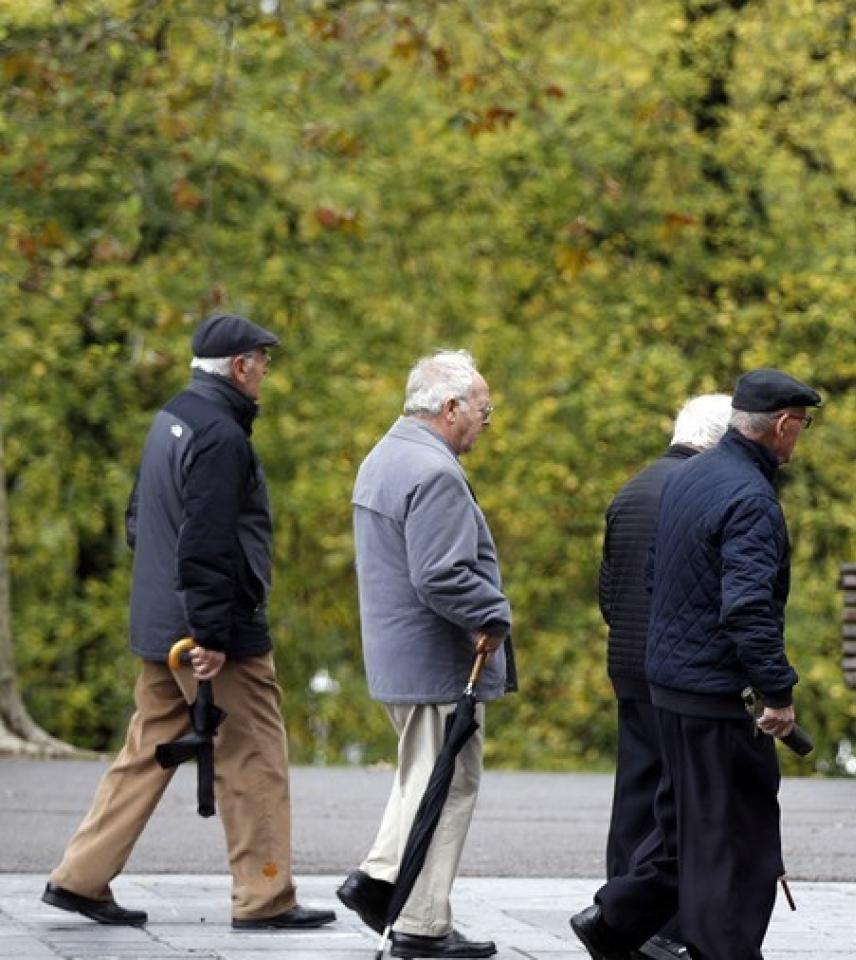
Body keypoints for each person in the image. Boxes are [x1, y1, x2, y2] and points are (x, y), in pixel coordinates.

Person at [43, 314, 336, 930]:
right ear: (238, 367)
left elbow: (138, 520)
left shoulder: (171, 419)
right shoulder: (222, 438)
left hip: (161, 622)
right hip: (209, 633)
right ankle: (264, 896)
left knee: (147, 750)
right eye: (262, 361)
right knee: (254, 755)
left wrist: (174, 611)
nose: (265, 372)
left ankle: (80, 877)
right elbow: (206, 544)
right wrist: (211, 634)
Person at [571, 369, 821, 960]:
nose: (800, 438)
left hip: (670, 687)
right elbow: (747, 608)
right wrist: (777, 693)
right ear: (782, 425)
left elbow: (656, 577)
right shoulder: (752, 499)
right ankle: (722, 949)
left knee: (683, 823)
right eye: (802, 426)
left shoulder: (690, 478)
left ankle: (614, 920)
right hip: (717, 694)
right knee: (737, 837)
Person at [337, 350, 515, 960]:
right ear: (450, 408)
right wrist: (493, 614)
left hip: (399, 657)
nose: (486, 422)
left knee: (421, 777)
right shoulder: (433, 471)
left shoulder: (383, 456)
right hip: (436, 662)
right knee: (449, 784)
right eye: (483, 410)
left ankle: (378, 879)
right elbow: (441, 576)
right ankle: (420, 921)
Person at [597, 394, 733, 960]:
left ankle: (616, 915)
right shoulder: (699, 493)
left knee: (633, 792)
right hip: (676, 670)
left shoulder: (632, 488)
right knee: (680, 800)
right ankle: (658, 922)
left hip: (626, 661)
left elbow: (608, 587)